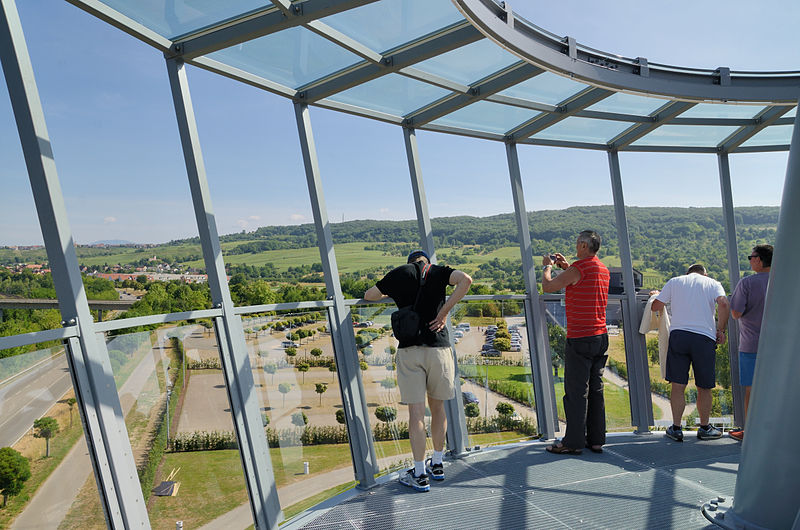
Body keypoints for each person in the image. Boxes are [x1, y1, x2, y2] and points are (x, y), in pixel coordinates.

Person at [364, 249, 472, 492]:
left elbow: (369, 295)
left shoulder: (399, 274)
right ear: (427, 262)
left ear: (409, 262)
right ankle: (437, 463)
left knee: (416, 415)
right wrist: (443, 313)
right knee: (438, 409)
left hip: (410, 350)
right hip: (439, 348)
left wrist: (394, 293)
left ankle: (420, 473)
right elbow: (466, 280)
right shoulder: (438, 272)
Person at [541, 230, 610, 455]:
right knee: (596, 390)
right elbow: (580, 280)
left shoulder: (579, 269)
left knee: (576, 392)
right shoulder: (603, 270)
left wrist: (547, 267)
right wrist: (566, 267)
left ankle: (572, 442)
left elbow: (548, 286)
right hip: (601, 336)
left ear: (582, 245)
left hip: (580, 337)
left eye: (577, 243)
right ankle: (596, 440)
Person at [652, 264, 729, 442]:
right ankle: (704, 428)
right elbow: (724, 303)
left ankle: (676, 428)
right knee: (704, 386)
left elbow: (656, 306)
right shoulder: (713, 283)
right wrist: (721, 330)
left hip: (679, 336)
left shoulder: (675, 282)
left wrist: (655, 296)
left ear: (687, 273)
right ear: (705, 274)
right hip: (704, 338)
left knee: (678, 385)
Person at [728, 244, 772, 441]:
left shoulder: (747, 283)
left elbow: (736, 313)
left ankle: (751, 432)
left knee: (751, 391)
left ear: (759, 260)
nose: (750, 260)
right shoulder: (784, 282)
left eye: (751, 257)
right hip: (780, 346)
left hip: (751, 345)